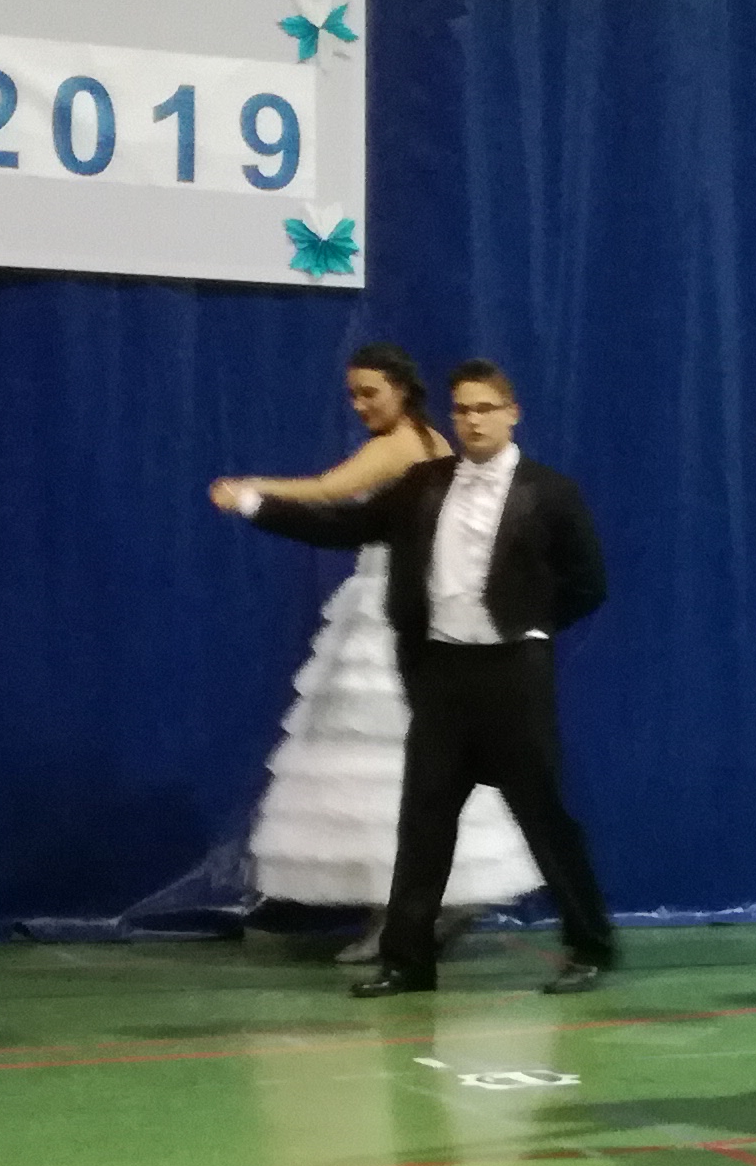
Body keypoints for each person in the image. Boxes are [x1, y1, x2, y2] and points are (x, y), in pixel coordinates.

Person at [250, 362, 615, 997]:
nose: (472, 420)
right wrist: (258, 504)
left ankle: (589, 945)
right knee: (424, 820)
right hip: (442, 674)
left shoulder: (552, 492)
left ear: (512, 413)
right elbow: (345, 527)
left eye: (484, 408)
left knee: (543, 815)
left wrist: (527, 624)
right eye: (462, 409)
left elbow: (588, 583)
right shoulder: (424, 484)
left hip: (512, 676)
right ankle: (408, 961)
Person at [207, 346, 542, 956]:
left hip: (394, 606)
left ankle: (400, 916)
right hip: (400, 600)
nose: (360, 406)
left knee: (380, 762)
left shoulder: (403, 444)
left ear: (401, 391)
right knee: (388, 764)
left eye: (370, 393)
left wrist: (250, 491)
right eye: (353, 395)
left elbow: (329, 490)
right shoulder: (429, 440)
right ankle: (415, 906)